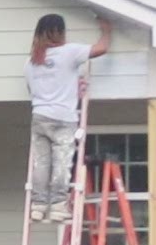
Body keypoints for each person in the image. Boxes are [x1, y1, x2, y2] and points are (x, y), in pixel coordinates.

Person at [24, 13, 112, 223]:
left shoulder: (32, 62)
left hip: (39, 116)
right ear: (60, 32)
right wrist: (107, 31)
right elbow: (100, 49)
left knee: (42, 163)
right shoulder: (69, 52)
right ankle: (57, 205)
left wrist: (71, 87)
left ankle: (37, 206)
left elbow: (34, 90)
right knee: (61, 162)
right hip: (63, 117)